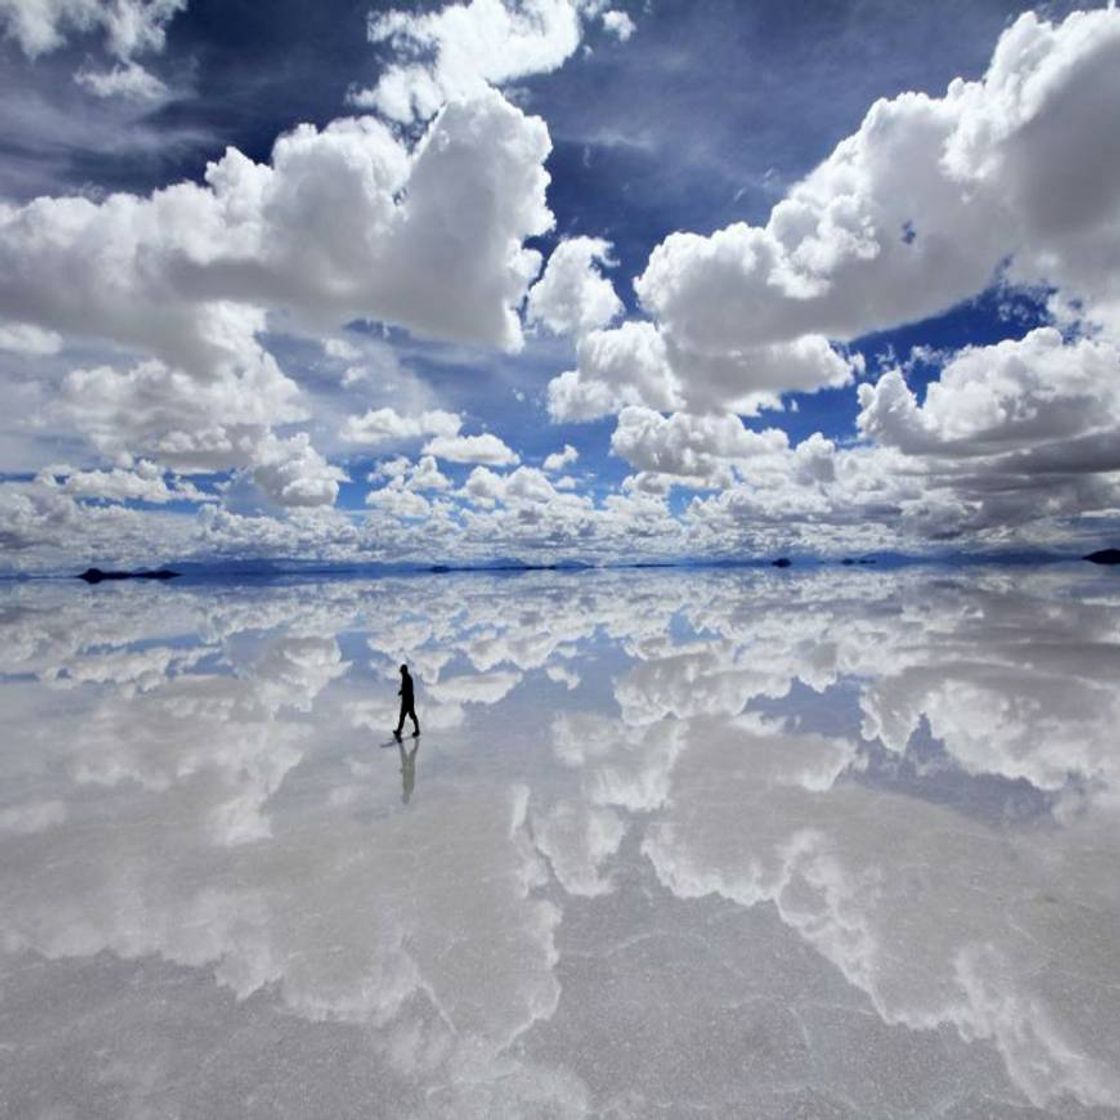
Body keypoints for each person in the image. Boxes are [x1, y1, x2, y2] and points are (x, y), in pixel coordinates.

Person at [394, 663, 420, 739]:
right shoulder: (405, 677)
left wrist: (402, 692)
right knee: (402, 716)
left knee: (412, 715)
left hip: (408, 701)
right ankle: (399, 730)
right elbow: (405, 688)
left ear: (404, 671)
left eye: (401, 671)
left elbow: (409, 690)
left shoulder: (408, 678)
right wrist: (401, 691)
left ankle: (417, 730)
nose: (401, 673)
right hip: (405, 700)